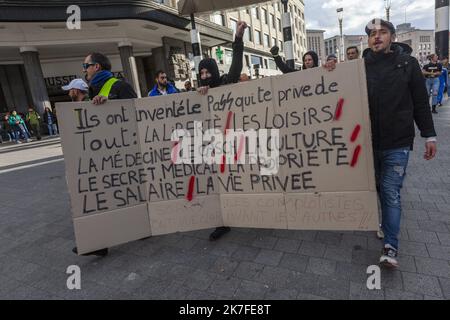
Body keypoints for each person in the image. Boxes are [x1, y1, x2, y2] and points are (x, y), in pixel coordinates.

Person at [363, 18, 437, 268]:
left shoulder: (408, 64)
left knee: (390, 191)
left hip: (398, 142)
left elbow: (419, 102)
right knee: (376, 187)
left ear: (392, 37)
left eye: (382, 32)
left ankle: (390, 246)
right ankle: (384, 224)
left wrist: (430, 135)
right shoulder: (360, 66)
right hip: (368, 143)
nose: (377, 37)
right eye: (372, 33)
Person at [196, 20, 247, 241]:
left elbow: (236, 65)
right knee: (217, 185)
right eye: (202, 72)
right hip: (211, 147)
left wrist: (238, 38)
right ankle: (221, 221)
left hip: (232, 144)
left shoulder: (227, 82)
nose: (205, 75)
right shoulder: (197, 94)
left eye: (208, 71)